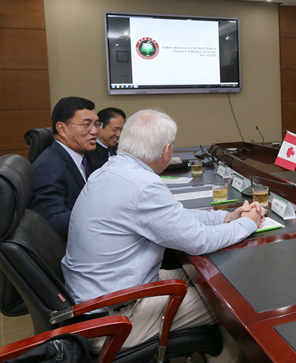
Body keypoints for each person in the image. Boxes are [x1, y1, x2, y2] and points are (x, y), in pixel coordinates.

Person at [62, 109, 264, 362]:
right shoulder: (144, 186)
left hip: (103, 296)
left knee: (220, 281)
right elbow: (199, 241)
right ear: (167, 150)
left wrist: (227, 218)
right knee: (234, 302)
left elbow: (176, 218)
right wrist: (247, 223)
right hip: (114, 318)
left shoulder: (112, 170)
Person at [30, 96, 101, 241]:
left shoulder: (85, 155)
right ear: (62, 129)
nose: (94, 131)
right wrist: (102, 211)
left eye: (97, 124)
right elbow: (51, 222)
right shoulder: (48, 167)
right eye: (86, 125)